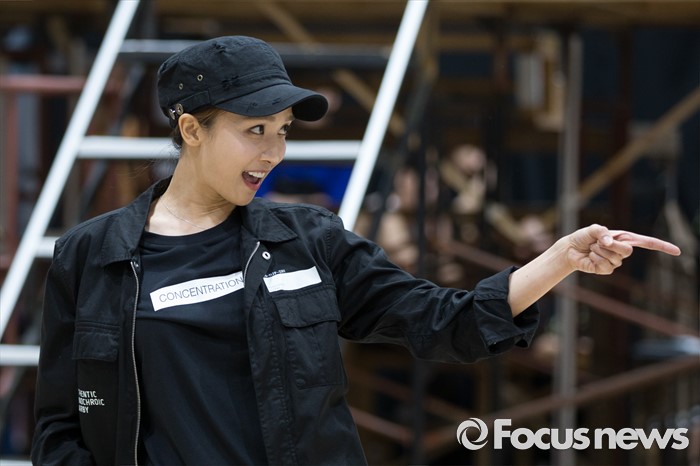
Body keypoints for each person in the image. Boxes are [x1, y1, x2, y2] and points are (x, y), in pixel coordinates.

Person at [30, 36, 681, 465]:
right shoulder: (92, 257)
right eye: (254, 130)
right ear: (191, 129)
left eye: (282, 130)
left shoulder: (308, 241)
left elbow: (442, 321)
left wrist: (560, 260)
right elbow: (63, 427)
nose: (274, 152)